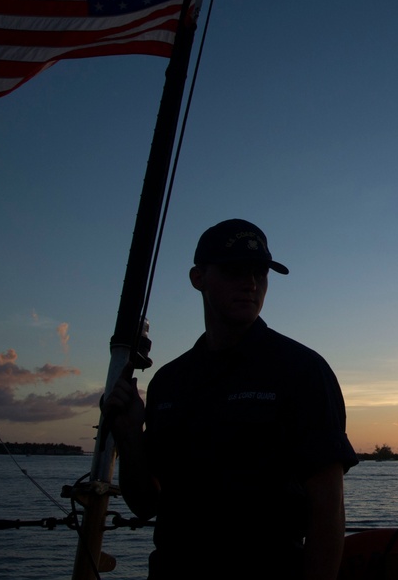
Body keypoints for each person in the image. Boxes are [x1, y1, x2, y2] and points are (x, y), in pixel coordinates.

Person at [104, 218, 358, 579]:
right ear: (198, 278)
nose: (250, 284)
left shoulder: (303, 371)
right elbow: (145, 504)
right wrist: (130, 438)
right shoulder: (169, 382)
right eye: (233, 271)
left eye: (259, 273)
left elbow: (328, 509)